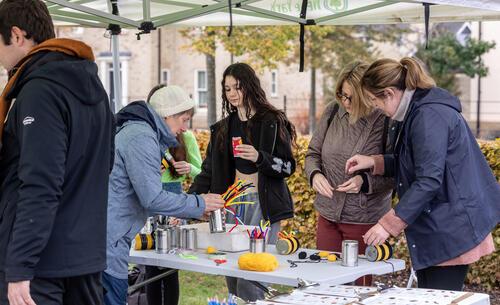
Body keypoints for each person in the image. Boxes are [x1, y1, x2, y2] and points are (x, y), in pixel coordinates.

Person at [346, 57, 499, 291]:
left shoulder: (428, 116)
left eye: (375, 102)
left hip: (451, 227)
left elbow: (428, 180)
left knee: (437, 297)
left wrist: (387, 225)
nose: (377, 108)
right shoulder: (414, 112)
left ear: (388, 93)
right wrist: (373, 162)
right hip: (442, 224)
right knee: (429, 295)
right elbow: (415, 163)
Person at [0, 0, 115, 304]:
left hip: (41, 265)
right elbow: (105, 165)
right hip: (84, 255)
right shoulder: (95, 88)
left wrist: (19, 268)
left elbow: (39, 183)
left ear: (16, 35)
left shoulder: (38, 91)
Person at [103, 85, 225, 305]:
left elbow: (142, 199)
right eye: (184, 120)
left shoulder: (140, 132)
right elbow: (152, 198)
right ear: (168, 114)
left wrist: (196, 209)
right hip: (109, 244)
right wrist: (200, 203)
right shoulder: (141, 137)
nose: (185, 128)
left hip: (110, 240)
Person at [189, 62, 297, 302]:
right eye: (228, 89)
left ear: (250, 86)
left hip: (263, 204)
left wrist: (260, 158)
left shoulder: (271, 121)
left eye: (238, 87)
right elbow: (208, 171)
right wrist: (188, 203)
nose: (233, 94)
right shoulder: (223, 128)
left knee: (254, 272)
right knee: (232, 270)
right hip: (233, 205)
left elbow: (288, 166)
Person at [305, 62, 393, 286]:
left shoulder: (385, 120)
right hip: (328, 214)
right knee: (326, 282)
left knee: (358, 287)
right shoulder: (333, 112)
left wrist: (364, 181)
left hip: (363, 220)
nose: (345, 102)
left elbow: (396, 170)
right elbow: (312, 153)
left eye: (351, 97)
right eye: (342, 95)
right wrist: (315, 175)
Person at [143, 85, 203, 305]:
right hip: (152, 197)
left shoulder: (186, 138)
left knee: (170, 264)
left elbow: (201, 173)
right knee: (150, 261)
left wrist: (189, 168)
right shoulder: (148, 139)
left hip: (175, 196)